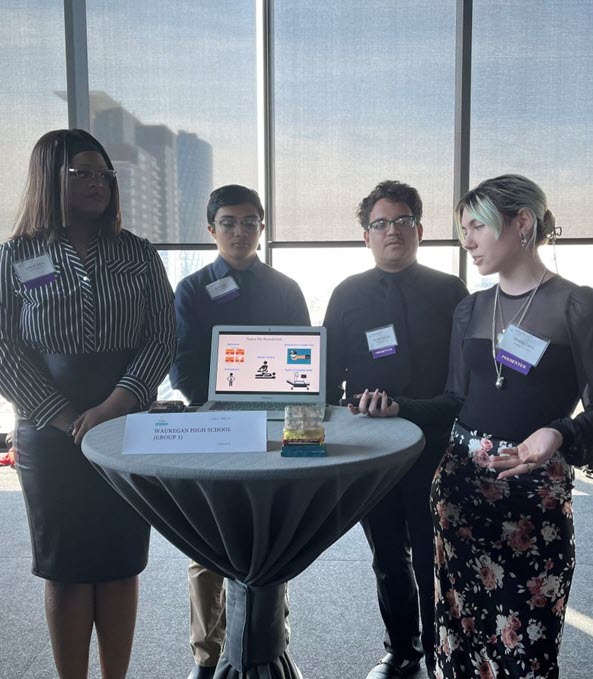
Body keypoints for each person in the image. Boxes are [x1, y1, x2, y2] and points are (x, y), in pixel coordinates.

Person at [355, 174, 593, 678]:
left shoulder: (576, 306)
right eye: (463, 229)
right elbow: (455, 400)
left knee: (524, 643)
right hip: (459, 490)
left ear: (522, 223)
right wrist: (400, 408)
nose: (468, 240)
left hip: (532, 499)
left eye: (477, 226)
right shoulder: (471, 308)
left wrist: (559, 432)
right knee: (459, 636)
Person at [0, 129, 176, 678]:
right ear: (48, 179)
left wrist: (113, 406)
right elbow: (3, 344)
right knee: (66, 569)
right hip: (48, 431)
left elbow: (163, 336)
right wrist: (61, 415)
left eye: (104, 173)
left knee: (122, 565)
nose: (98, 182)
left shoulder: (138, 252)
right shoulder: (17, 256)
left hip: (125, 422)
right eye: (82, 172)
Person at [323, 180, 467, 679]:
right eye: (380, 223)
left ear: (420, 230)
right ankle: (403, 649)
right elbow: (327, 379)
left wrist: (407, 407)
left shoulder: (450, 292)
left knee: (436, 553)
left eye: (402, 220)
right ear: (366, 236)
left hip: (436, 444)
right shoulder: (346, 294)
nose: (392, 231)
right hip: (372, 448)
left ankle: (443, 650)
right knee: (387, 553)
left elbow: (461, 383)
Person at [169, 184, 310, 679]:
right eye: (228, 222)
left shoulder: (286, 289)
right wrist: (212, 406)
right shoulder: (190, 290)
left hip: (274, 430)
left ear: (262, 228)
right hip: (216, 426)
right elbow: (181, 365)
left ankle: (270, 641)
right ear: (211, 230)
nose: (239, 231)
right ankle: (207, 655)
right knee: (208, 543)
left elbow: (304, 360)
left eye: (249, 221)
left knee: (270, 536)